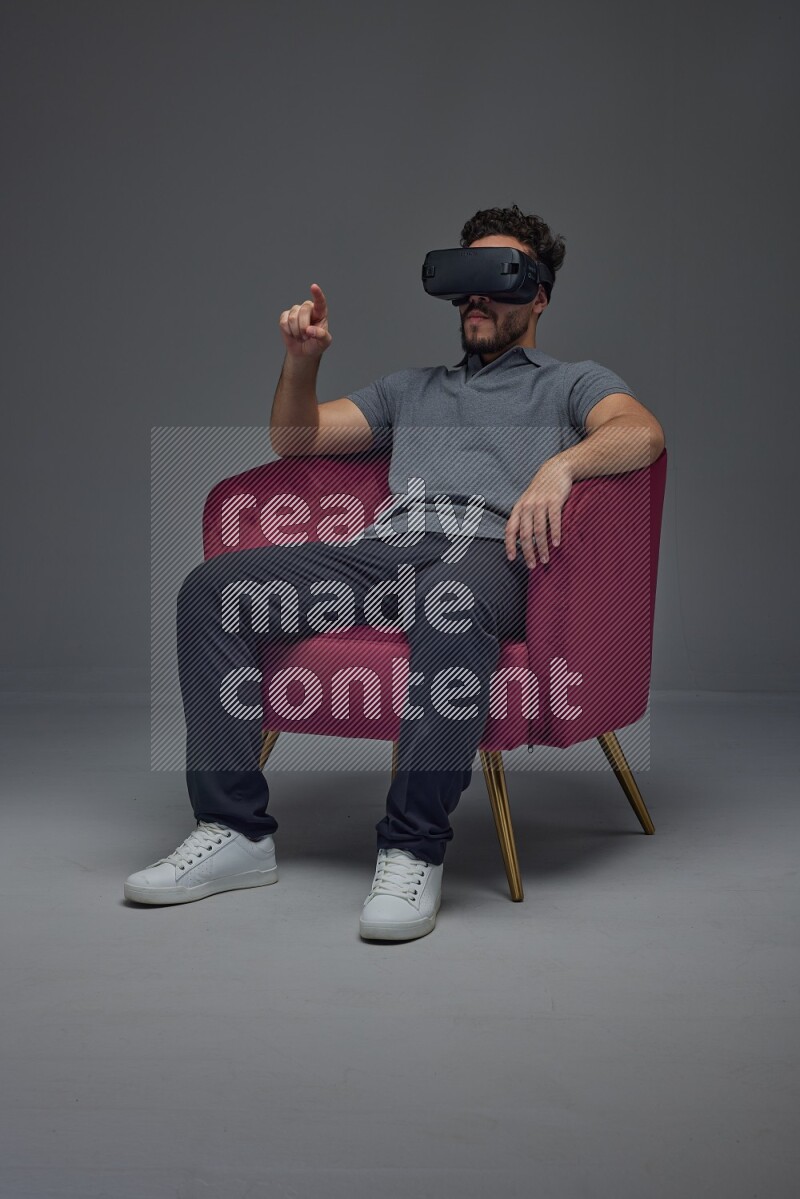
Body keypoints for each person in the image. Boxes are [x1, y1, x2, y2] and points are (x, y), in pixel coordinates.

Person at [124, 204, 665, 942]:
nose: (477, 296)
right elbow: (297, 436)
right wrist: (302, 359)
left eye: (499, 277)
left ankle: (412, 846)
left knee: (449, 602)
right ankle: (234, 831)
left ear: (537, 295)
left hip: (491, 553)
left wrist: (562, 466)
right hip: (389, 549)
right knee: (213, 591)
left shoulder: (570, 383)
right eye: (465, 278)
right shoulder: (411, 390)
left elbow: (641, 432)